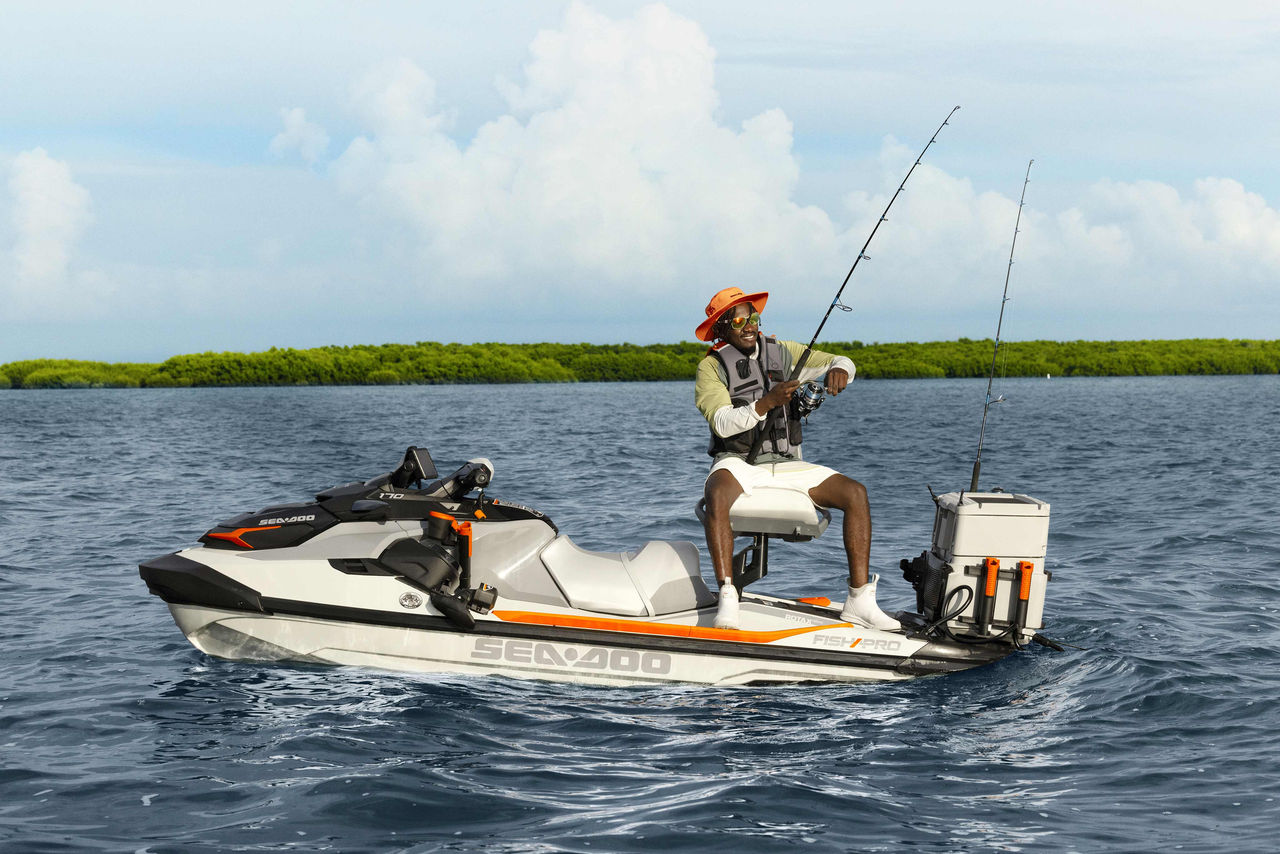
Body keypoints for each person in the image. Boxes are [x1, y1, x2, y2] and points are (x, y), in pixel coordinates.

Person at [694, 286, 900, 632]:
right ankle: (728, 595)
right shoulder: (711, 367)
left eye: (753, 317)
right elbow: (722, 423)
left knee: (855, 493)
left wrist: (840, 370)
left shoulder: (783, 352)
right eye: (739, 321)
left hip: (788, 463)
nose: (749, 326)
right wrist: (766, 403)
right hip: (739, 462)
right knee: (716, 492)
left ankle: (859, 600)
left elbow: (841, 361)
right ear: (721, 328)